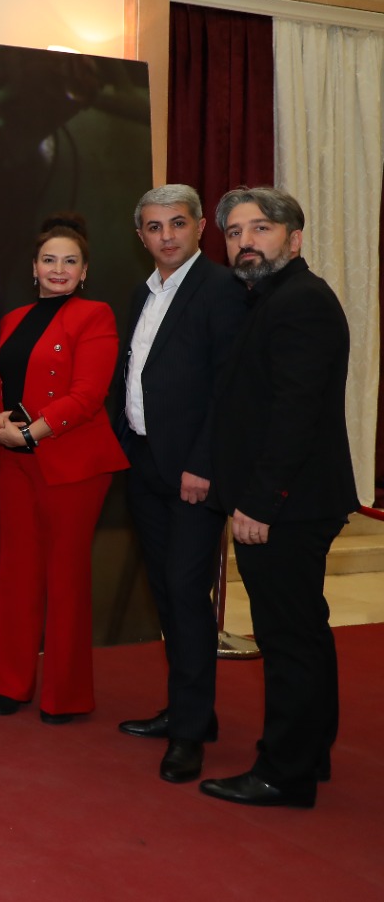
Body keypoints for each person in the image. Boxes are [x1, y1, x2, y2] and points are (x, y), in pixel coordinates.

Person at [199, 187, 355, 809]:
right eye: (235, 232)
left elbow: (296, 413)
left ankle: (284, 773)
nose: (246, 242)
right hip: (292, 498)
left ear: (294, 238)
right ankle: (309, 754)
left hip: (288, 504)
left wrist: (261, 501)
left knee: (287, 638)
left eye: (260, 229)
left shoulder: (300, 302)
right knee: (303, 631)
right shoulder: (271, 299)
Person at [114, 185, 247, 783]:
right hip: (145, 465)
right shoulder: (142, 292)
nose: (165, 235)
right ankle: (189, 710)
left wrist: (204, 464)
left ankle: (190, 734)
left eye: (176, 223)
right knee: (168, 595)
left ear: (199, 228)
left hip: (193, 474)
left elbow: (228, 389)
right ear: (140, 236)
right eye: (153, 227)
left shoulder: (221, 290)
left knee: (189, 597)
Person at [0, 213, 128, 724]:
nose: (58, 269)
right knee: (15, 573)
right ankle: (8, 681)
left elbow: (88, 395)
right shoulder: (12, 319)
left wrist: (31, 433)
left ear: (84, 271)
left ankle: (66, 695)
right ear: (34, 267)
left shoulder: (95, 316)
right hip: (13, 463)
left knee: (65, 579)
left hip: (71, 464)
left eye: (70, 261)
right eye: (49, 260)